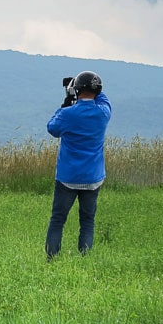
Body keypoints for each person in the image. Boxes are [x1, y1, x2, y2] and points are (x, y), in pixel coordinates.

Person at [44, 70, 111, 260]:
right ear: (97, 90)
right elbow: (102, 96)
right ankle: (84, 259)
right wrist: (86, 85)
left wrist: (67, 99)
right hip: (93, 178)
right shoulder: (103, 113)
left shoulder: (68, 114)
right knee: (87, 222)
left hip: (68, 177)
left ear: (77, 90)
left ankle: (52, 259)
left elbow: (52, 128)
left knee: (58, 220)